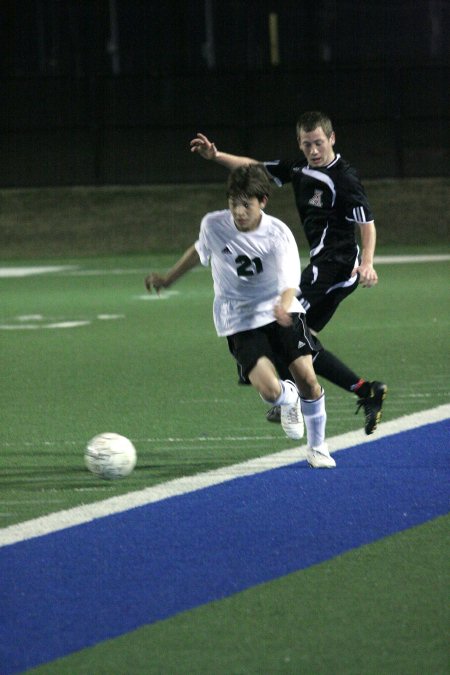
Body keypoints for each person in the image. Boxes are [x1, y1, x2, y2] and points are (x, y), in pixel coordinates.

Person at [189, 111, 387, 435]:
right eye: (307, 144)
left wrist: (367, 262)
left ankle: (285, 395)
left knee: (283, 323)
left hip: (336, 267)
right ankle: (366, 390)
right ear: (300, 143)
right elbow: (252, 169)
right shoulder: (300, 168)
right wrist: (216, 156)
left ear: (332, 139)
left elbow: (366, 223)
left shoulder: (345, 178)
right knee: (300, 339)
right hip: (321, 265)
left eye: (319, 143)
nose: (314, 150)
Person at [145, 164, 335, 469]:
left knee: (308, 379)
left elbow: (289, 281)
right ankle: (288, 399)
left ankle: (318, 447)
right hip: (238, 318)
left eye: (246, 204)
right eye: (234, 203)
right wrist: (168, 278)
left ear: (263, 201)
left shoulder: (277, 233)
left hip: (279, 311)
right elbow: (198, 251)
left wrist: (285, 305)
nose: (239, 211)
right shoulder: (214, 225)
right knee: (271, 391)